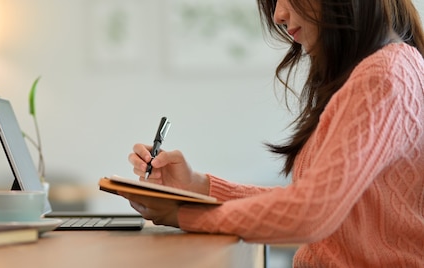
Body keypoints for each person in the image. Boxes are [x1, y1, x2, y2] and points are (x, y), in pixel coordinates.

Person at [119, 0, 424, 267]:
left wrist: (183, 216)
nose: (278, 14)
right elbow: (314, 201)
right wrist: (199, 187)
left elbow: (308, 214)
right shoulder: (387, 70)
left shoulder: (383, 77)